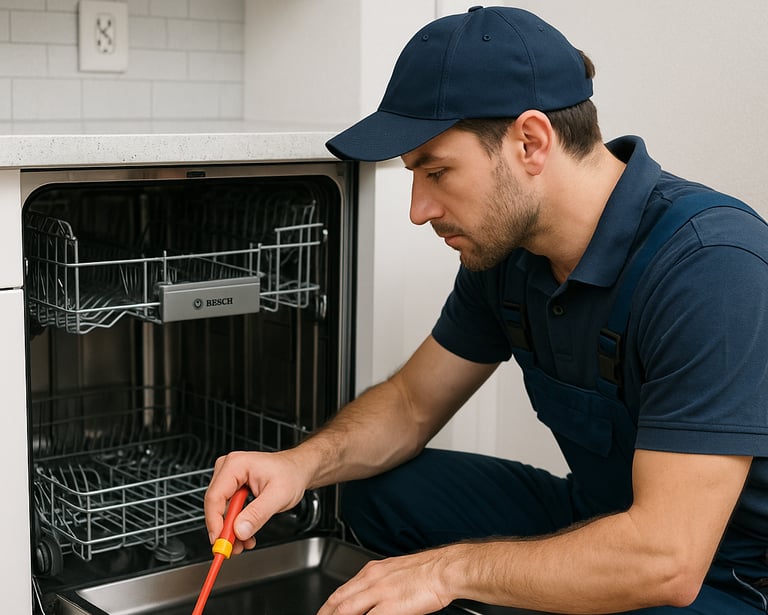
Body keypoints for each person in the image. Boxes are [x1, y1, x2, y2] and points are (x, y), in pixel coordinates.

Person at [205, 6, 768, 614]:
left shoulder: (711, 267)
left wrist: (448, 572)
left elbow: (668, 558)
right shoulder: (508, 254)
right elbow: (413, 403)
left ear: (530, 142)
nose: (419, 209)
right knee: (372, 491)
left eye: (437, 171)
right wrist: (297, 465)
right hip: (599, 515)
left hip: (725, 575)